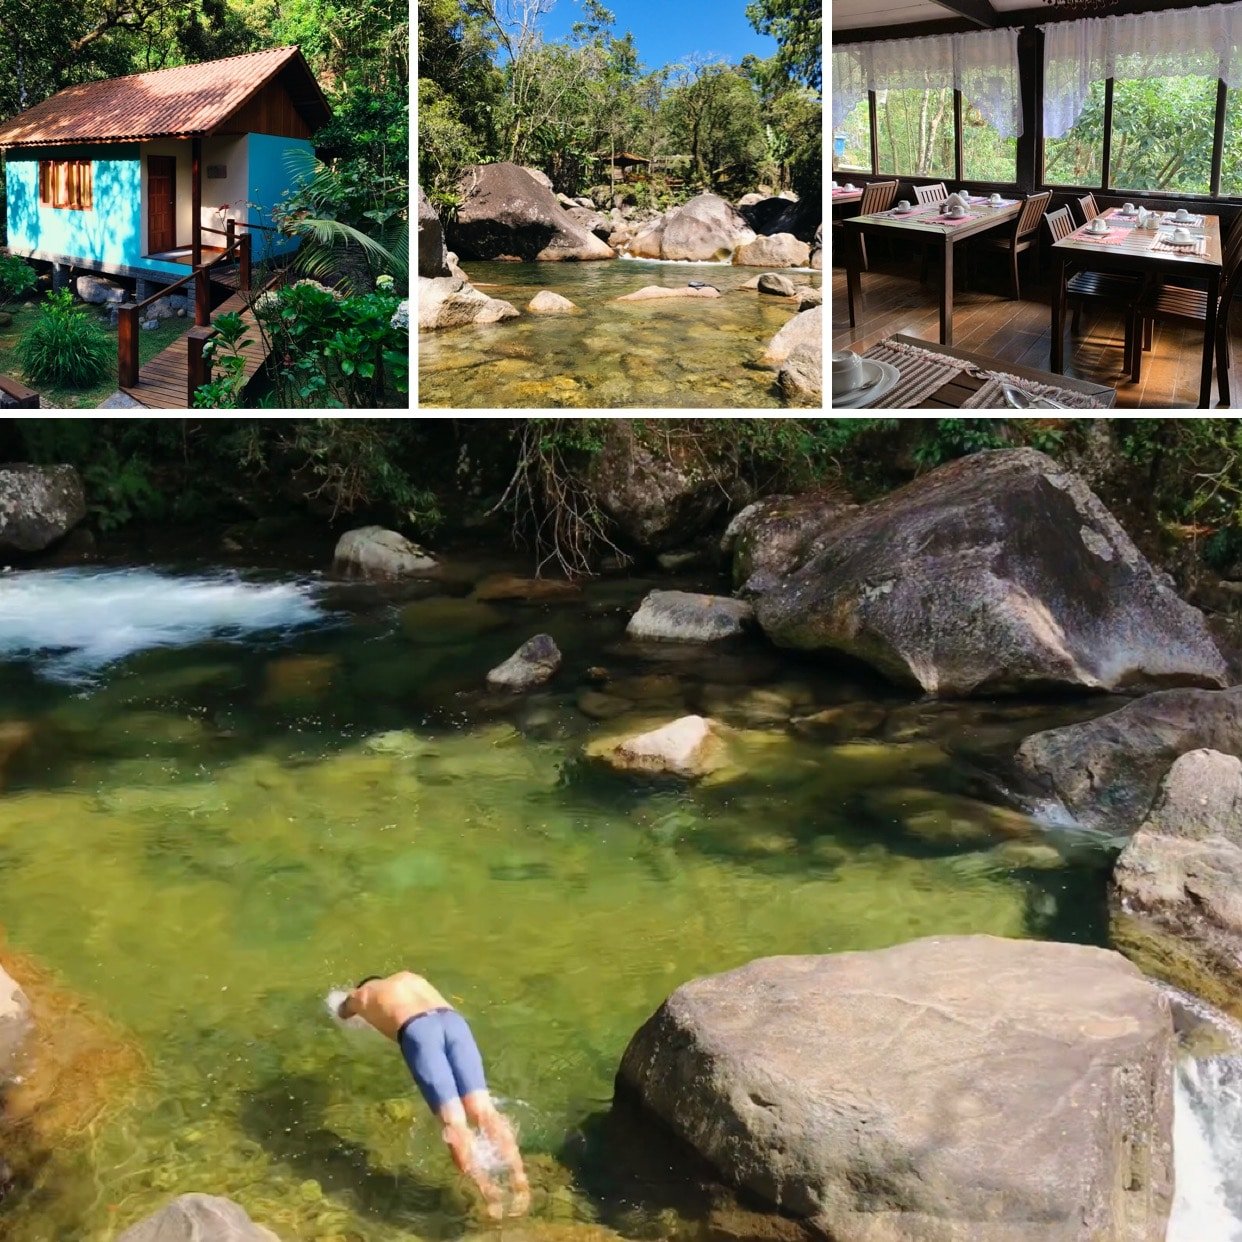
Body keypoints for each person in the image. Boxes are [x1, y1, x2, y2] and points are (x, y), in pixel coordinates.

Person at [337, 971, 530, 1218]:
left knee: (455, 1122)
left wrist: (349, 1007)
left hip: (419, 1033)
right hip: (454, 1023)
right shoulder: (410, 978)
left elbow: (342, 1012)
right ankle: (520, 1181)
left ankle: (490, 1193)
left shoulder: (361, 994)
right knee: (483, 1110)